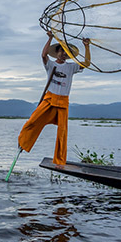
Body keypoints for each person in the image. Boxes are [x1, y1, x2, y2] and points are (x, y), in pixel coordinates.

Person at [17, 33, 91, 165]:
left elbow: (86, 63)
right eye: (61, 50)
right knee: (33, 121)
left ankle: (59, 161)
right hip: (49, 99)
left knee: (62, 133)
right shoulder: (51, 65)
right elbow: (44, 55)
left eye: (65, 51)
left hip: (63, 102)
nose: (63, 53)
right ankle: (23, 143)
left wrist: (86, 46)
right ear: (57, 52)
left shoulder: (71, 67)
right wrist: (50, 38)